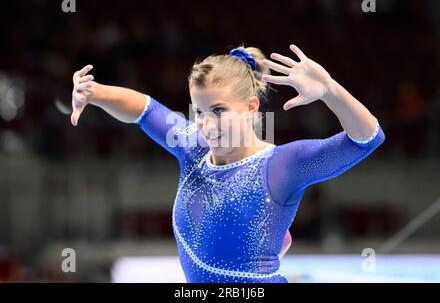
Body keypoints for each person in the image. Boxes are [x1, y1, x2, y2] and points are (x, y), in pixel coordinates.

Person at [70, 44, 385, 283]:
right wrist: (95, 92)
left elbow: (367, 138)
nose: (208, 124)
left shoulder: (281, 165)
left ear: (250, 107)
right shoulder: (192, 147)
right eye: (201, 112)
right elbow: (144, 110)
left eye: (219, 111)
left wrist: (330, 91)